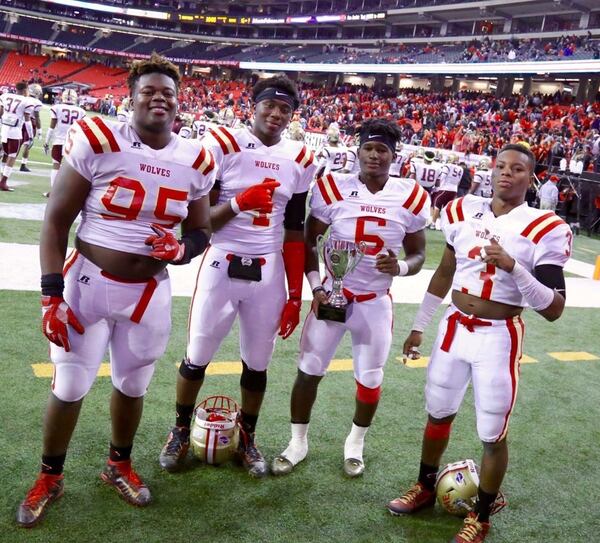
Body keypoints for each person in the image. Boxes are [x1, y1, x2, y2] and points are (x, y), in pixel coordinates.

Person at [16, 54, 215, 528]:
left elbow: (202, 230)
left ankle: (118, 465)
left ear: (178, 100)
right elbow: (57, 220)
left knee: (133, 383)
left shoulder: (196, 158)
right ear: (131, 96)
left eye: (167, 91)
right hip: (87, 283)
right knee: (69, 384)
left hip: (150, 290)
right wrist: (50, 295)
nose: (158, 98)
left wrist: (182, 247)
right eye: (148, 90)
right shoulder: (98, 139)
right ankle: (50, 476)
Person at [387, 144, 571, 543]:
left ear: (530, 177)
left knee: (492, 431)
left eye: (518, 169)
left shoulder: (545, 225)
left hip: (498, 335)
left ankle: (482, 515)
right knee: (437, 412)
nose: (507, 173)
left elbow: (554, 307)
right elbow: (443, 273)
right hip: (454, 327)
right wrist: (420, 325)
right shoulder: (460, 211)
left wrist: (514, 267)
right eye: (501, 166)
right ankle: (424, 486)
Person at [158, 74, 317, 478]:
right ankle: (179, 431)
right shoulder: (222, 144)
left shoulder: (300, 157)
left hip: (269, 269)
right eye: (270, 105)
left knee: (257, 364)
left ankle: (247, 437)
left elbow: (295, 229)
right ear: (254, 105)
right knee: (197, 356)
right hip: (222, 260)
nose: (277, 114)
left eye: (285, 109)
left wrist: (295, 295)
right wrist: (238, 204)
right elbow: (200, 221)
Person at [271, 119, 429, 478]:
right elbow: (309, 242)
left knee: (370, 378)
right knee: (308, 371)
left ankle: (355, 443)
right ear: (357, 151)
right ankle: (298, 442)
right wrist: (317, 287)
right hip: (332, 294)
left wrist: (401, 267)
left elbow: (419, 254)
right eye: (368, 149)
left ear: (393, 155)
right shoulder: (331, 187)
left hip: (375, 300)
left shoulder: (411, 194)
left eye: (382, 150)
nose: (374, 155)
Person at [43, 89, 86, 198]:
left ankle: (53, 191)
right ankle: (67, 193)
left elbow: (51, 128)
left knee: (56, 165)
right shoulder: (81, 111)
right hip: (73, 142)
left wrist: (46, 142)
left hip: (58, 141)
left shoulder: (56, 108)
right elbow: (83, 129)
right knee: (70, 168)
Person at [0, 80, 33, 191]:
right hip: (15, 131)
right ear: (24, 90)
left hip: (4, 129)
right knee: (12, 156)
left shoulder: (5, 96)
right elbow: (27, 120)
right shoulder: (26, 100)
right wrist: (31, 135)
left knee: (5, 154)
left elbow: (1, 112)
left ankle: (1, 179)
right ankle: (3, 182)